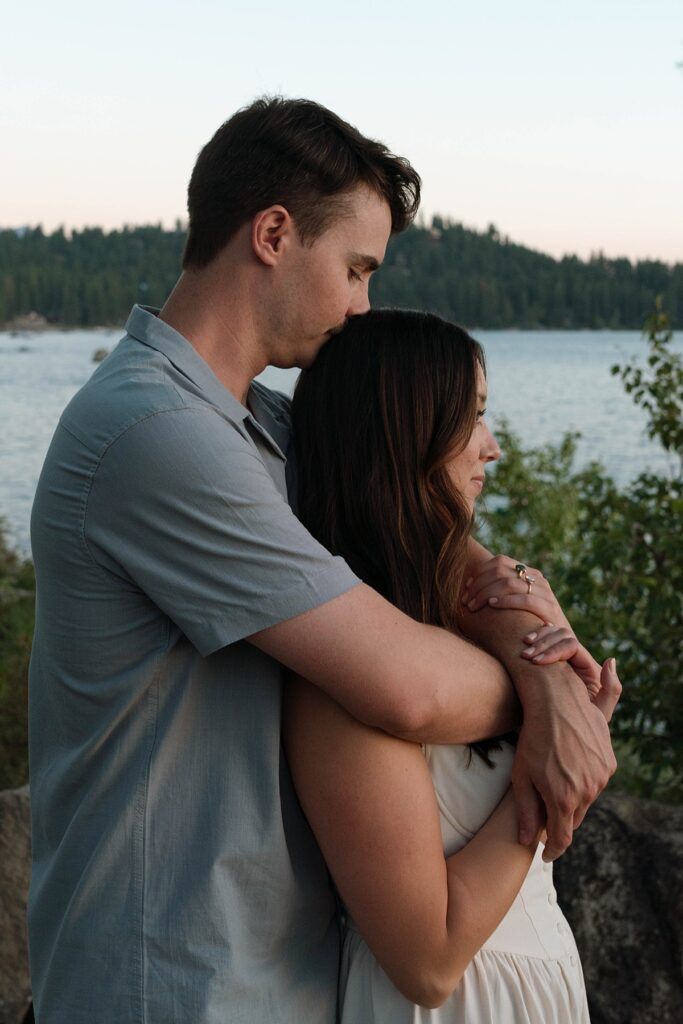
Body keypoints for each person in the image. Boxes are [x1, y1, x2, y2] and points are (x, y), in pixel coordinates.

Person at [28, 97, 615, 1024]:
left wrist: (541, 669)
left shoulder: (261, 428)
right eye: (354, 269)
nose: (360, 308)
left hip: (279, 977)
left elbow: (441, 541)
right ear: (271, 234)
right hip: (170, 983)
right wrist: (549, 695)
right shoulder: (154, 433)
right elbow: (403, 691)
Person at [285, 308, 620, 1022]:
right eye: (470, 419)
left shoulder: (467, 616)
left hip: (536, 984)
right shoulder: (351, 675)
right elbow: (427, 960)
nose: (491, 448)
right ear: (405, 437)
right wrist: (540, 775)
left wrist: (558, 699)